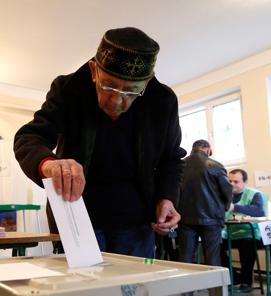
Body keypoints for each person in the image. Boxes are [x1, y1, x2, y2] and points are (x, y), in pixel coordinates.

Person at [14, 27, 185, 259]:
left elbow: (171, 158)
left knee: (133, 292)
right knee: (81, 292)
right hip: (77, 214)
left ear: (145, 84)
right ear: (94, 70)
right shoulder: (68, 90)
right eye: (108, 86)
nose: (117, 101)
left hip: (136, 219)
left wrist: (167, 198)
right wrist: (50, 165)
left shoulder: (162, 101)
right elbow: (29, 138)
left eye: (131, 92)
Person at [177, 140, 234, 296]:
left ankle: (186, 293)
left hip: (185, 217)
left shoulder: (180, 165)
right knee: (212, 256)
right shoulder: (214, 165)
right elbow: (227, 189)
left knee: (186, 254)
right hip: (211, 217)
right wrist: (225, 206)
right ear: (207, 149)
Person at [221, 169, 269, 293]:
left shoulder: (255, 194)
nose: (232, 184)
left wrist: (234, 207)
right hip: (230, 233)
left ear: (245, 182)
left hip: (251, 233)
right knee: (213, 244)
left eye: (236, 181)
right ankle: (234, 277)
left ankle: (246, 281)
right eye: (229, 181)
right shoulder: (225, 195)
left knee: (247, 244)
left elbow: (258, 210)